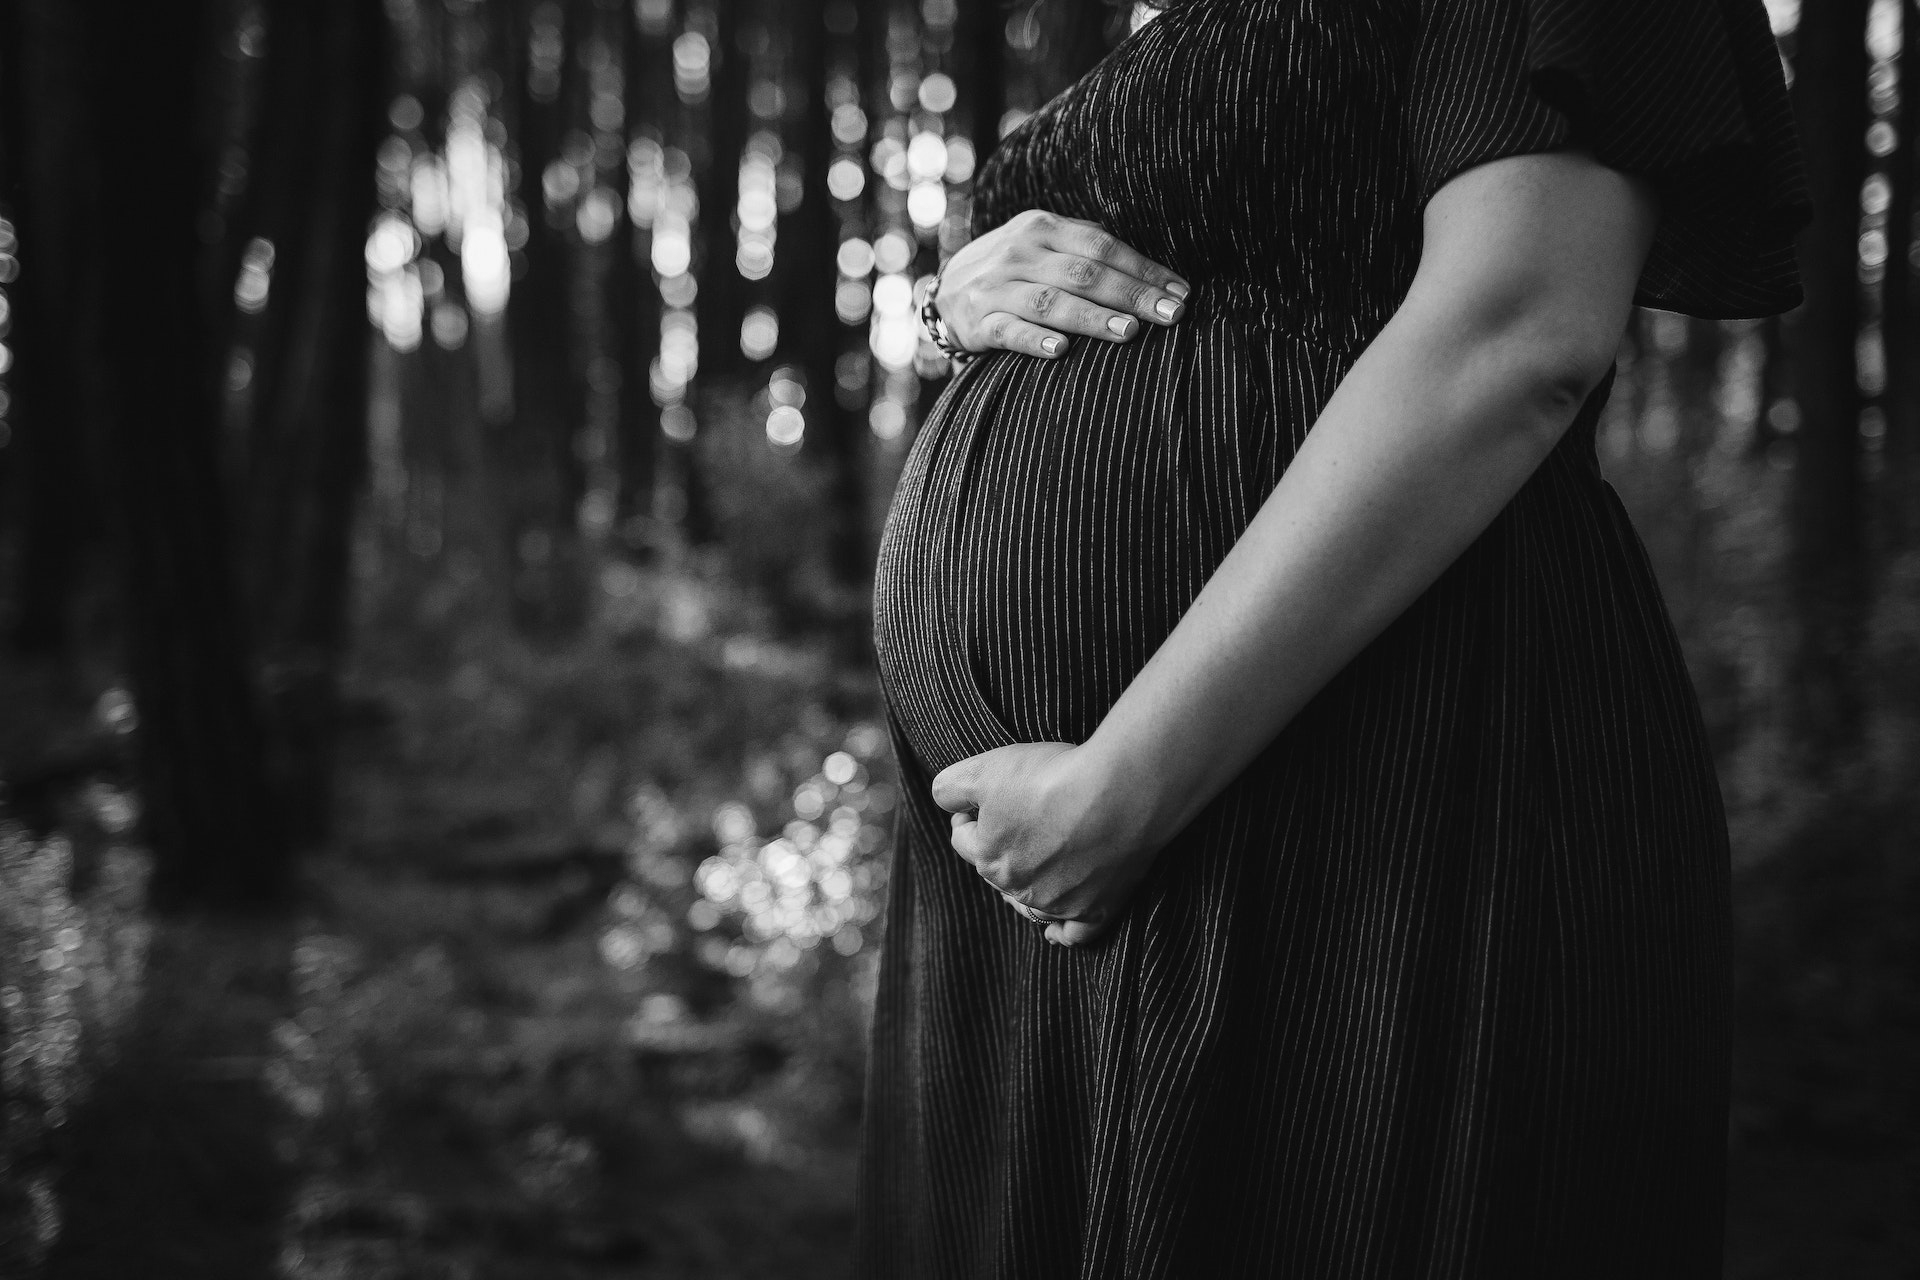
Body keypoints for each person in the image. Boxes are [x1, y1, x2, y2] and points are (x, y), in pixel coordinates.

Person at [857, 0, 1809, 1274]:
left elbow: (1519, 331)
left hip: (1392, 788)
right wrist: (943, 308)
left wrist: (1127, 779)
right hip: (1039, 886)